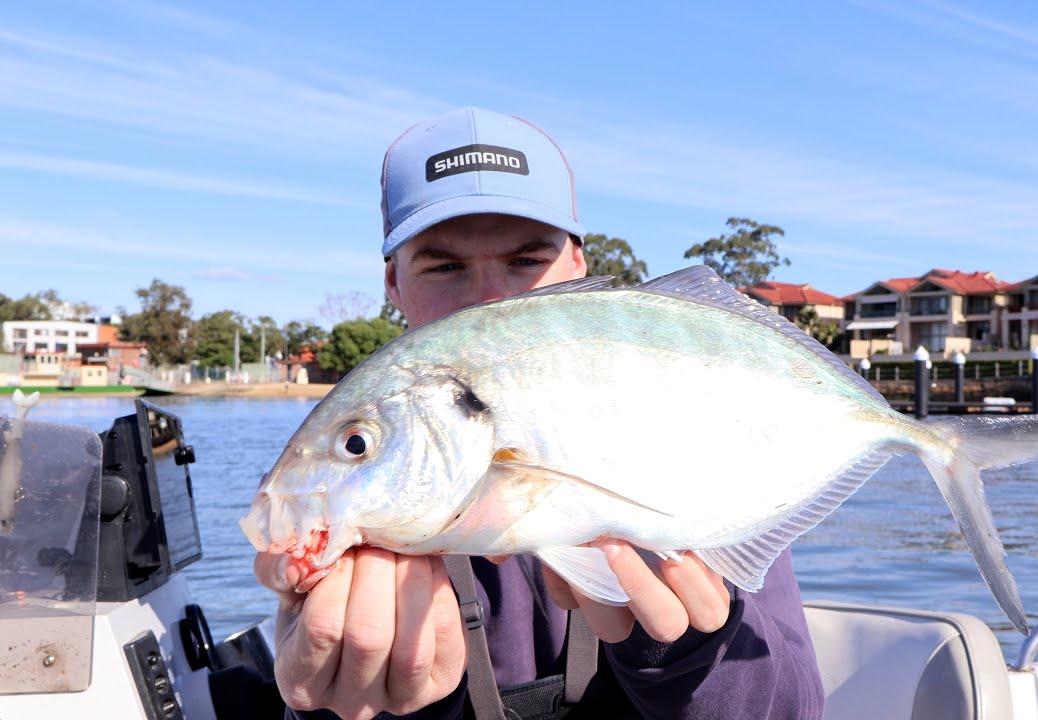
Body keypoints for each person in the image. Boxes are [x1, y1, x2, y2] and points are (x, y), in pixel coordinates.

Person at [254, 106, 825, 720]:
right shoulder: (374, 471)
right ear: (395, 284)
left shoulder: (695, 427)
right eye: (445, 266)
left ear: (577, 265)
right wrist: (344, 698)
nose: (490, 300)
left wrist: (688, 652)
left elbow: (795, 709)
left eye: (527, 261)